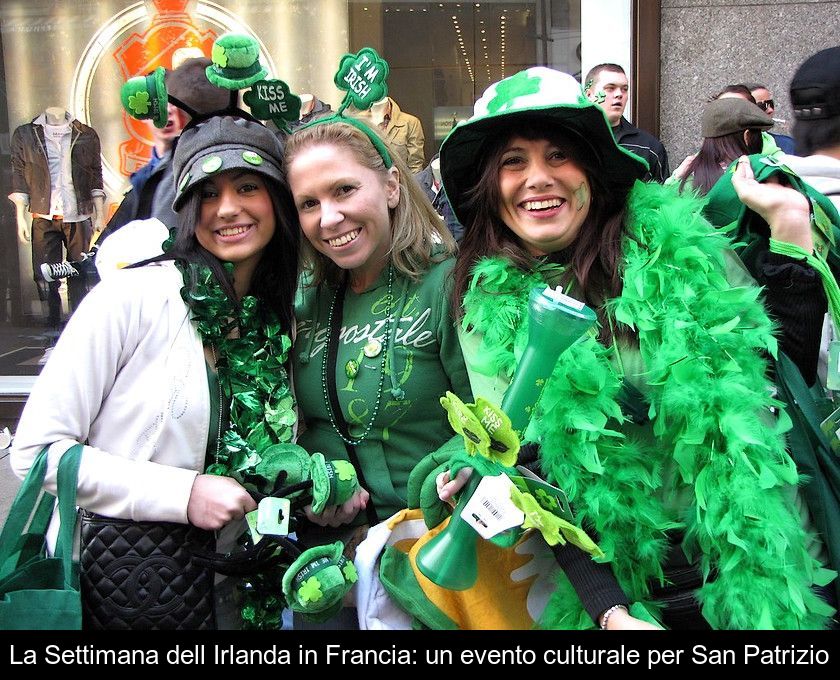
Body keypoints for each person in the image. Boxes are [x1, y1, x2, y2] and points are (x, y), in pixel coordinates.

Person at [434, 67, 832, 630]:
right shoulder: (487, 307)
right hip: (618, 586)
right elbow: (534, 464)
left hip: (751, 557)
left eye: (558, 155)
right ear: (488, 185)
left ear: (592, 170)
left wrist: (789, 234)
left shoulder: (682, 249)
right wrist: (609, 610)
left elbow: (775, 365)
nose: (538, 179)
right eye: (513, 161)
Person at [10, 115, 301, 629]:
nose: (228, 208)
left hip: (239, 594)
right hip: (124, 587)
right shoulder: (132, 298)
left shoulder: (280, 317)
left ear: (278, 199)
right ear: (186, 208)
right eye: (207, 193)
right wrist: (182, 494)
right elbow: (37, 454)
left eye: (249, 186)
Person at [284, 116, 470, 627]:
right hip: (330, 563)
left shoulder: (449, 283)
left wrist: (444, 475)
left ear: (390, 185)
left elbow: (495, 416)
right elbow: (301, 424)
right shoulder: (307, 299)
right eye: (309, 204)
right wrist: (313, 485)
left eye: (345, 190)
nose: (329, 218)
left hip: (432, 558)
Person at [584, 63, 670, 182]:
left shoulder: (649, 147)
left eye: (624, 89)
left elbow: (663, 197)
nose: (619, 94)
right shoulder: (573, 140)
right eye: (610, 88)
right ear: (589, 95)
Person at [671, 97, 771, 195]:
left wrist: (674, 179)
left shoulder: (688, 178)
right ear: (747, 136)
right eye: (758, 134)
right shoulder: (763, 176)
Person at [745, 81, 796, 154]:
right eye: (762, 105)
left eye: (770, 104)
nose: (770, 110)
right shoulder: (726, 149)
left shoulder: (787, 145)